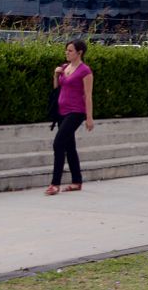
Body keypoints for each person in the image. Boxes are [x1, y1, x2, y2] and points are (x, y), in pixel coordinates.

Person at [47, 38, 94, 195]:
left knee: (58, 144)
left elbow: (88, 96)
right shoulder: (65, 67)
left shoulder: (85, 71)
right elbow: (58, 89)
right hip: (62, 111)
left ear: (79, 53)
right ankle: (76, 181)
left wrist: (89, 118)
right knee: (69, 147)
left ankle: (55, 184)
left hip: (76, 112)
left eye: (70, 50)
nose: (67, 53)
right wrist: (56, 75)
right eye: (66, 50)